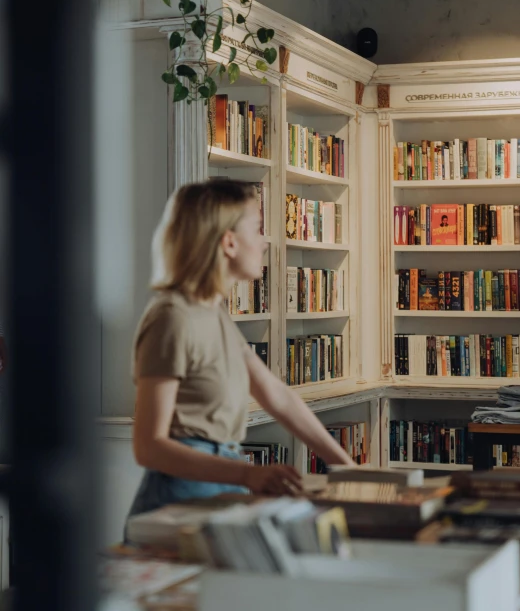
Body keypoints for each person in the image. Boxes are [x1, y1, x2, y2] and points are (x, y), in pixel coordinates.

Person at [127, 180, 355, 525]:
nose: (265, 242)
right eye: (258, 228)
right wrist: (245, 475)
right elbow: (149, 447)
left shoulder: (213, 312)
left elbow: (276, 395)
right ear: (229, 242)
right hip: (181, 497)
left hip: (218, 484)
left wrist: (347, 467)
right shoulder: (172, 317)